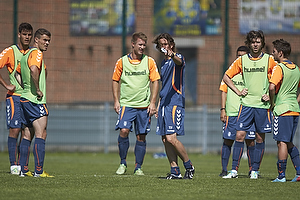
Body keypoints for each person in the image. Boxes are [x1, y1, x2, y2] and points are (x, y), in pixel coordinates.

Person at [222, 30, 277, 179]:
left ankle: (255, 171)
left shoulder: (269, 59)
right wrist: (238, 91)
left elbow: (279, 77)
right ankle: (234, 170)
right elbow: (226, 77)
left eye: (258, 42)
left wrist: (272, 93)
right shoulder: (241, 60)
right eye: (253, 42)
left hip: (262, 106)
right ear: (249, 43)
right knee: (239, 136)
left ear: (262, 44)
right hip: (245, 105)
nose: (255, 44)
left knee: (259, 138)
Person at [112, 32, 160, 175]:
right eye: (140, 44)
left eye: (144, 45)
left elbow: (155, 81)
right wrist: (116, 100)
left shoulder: (149, 61)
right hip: (126, 105)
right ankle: (122, 163)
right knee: (124, 131)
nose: (142, 47)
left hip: (144, 106)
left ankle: (138, 167)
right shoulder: (121, 62)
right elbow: (115, 80)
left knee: (141, 136)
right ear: (132, 44)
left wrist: (153, 102)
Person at [152, 33, 194, 179]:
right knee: (165, 139)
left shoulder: (178, 58)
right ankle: (175, 171)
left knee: (171, 138)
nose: (164, 47)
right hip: (163, 104)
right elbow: (163, 86)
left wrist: (172, 54)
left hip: (174, 103)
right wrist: (157, 105)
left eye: (166, 44)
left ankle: (189, 166)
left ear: (171, 44)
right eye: (161, 45)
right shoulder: (162, 63)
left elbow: (178, 61)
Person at [17, 28, 53, 177]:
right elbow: (33, 69)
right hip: (35, 100)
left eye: (49, 41)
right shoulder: (37, 53)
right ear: (36, 40)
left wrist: (25, 87)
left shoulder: (25, 55)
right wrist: (37, 89)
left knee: (27, 134)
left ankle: (23, 170)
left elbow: (18, 72)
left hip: (24, 98)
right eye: (44, 40)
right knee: (41, 133)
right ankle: (39, 171)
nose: (47, 43)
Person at [0, 22, 33, 175]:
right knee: (15, 129)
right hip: (15, 98)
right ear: (19, 35)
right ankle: (14, 165)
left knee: (28, 132)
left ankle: (22, 165)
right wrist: (6, 85)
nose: (27, 37)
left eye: (29, 34)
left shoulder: (34, 53)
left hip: (30, 99)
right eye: (24, 34)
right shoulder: (10, 51)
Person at [219, 46, 256, 177]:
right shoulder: (231, 72)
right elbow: (223, 91)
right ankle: (224, 169)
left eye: (243, 56)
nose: (240, 58)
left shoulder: (252, 72)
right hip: (232, 112)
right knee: (228, 140)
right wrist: (223, 109)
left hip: (248, 111)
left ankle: (253, 170)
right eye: (238, 55)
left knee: (250, 141)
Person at [269, 39, 300, 182]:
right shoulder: (297, 68)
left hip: (282, 110)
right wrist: (295, 101)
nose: (272, 53)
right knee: (288, 142)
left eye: (274, 51)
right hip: (294, 110)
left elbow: (271, 87)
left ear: (280, 53)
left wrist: (272, 103)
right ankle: (299, 174)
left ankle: (281, 176)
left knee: (281, 142)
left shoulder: (279, 68)